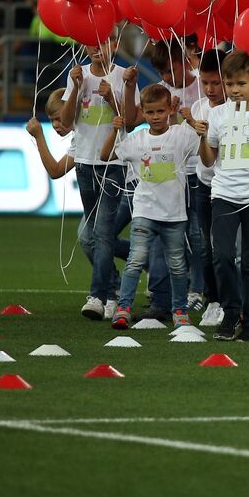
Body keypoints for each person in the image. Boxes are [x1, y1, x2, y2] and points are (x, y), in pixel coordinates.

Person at [194, 50, 249, 342]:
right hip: (224, 194)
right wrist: (202, 138)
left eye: (241, 84)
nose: (234, 90)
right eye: (230, 84)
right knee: (223, 256)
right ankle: (230, 314)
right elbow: (208, 160)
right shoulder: (217, 115)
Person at [101, 83, 200, 329]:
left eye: (160, 112)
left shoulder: (181, 135)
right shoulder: (136, 140)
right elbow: (105, 156)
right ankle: (123, 308)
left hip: (175, 214)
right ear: (142, 112)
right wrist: (114, 131)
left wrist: (192, 121)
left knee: (177, 265)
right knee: (135, 260)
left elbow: (206, 150)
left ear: (169, 110)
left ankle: (179, 311)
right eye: (150, 112)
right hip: (145, 211)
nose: (155, 117)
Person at [133, 39, 206, 315]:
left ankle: (198, 290)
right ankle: (161, 297)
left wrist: (185, 118)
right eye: (161, 71)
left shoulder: (203, 85)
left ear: (185, 61)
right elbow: (158, 135)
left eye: (169, 69)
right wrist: (172, 118)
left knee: (198, 237)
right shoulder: (160, 93)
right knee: (164, 236)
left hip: (199, 172)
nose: (166, 76)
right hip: (171, 176)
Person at [61, 29, 129, 321]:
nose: (96, 47)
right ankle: (114, 290)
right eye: (91, 41)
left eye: (103, 41)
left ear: (115, 43)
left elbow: (132, 119)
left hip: (113, 163)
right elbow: (65, 123)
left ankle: (98, 296)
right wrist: (76, 88)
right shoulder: (78, 75)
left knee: (101, 232)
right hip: (85, 163)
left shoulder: (125, 75)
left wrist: (113, 96)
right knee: (93, 234)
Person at [181, 49, 227, 326]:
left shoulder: (239, 107)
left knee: (229, 250)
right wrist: (191, 125)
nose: (209, 89)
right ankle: (214, 301)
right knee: (206, 247)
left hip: (232, 187)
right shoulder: (198, 108)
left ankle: (235, 300)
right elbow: (201, 155)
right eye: (205, 82)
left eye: (215, 83)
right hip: (204, 184)